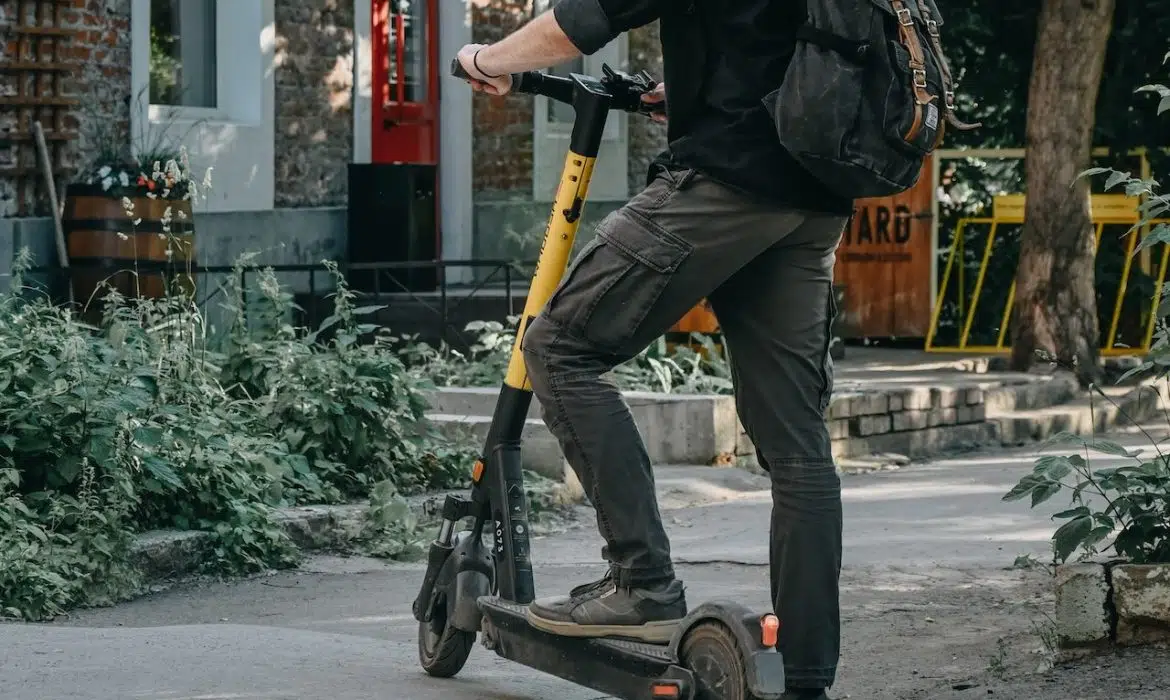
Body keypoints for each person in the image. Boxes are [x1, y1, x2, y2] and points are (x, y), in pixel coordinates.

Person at [455, 2, 852, 698]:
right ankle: (805, 677)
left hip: (726, 180)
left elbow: (581, 21)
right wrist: (701, 86)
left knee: (558, 346)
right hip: (815, 195)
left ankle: (642, 583)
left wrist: (488, 61)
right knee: (796, 447)